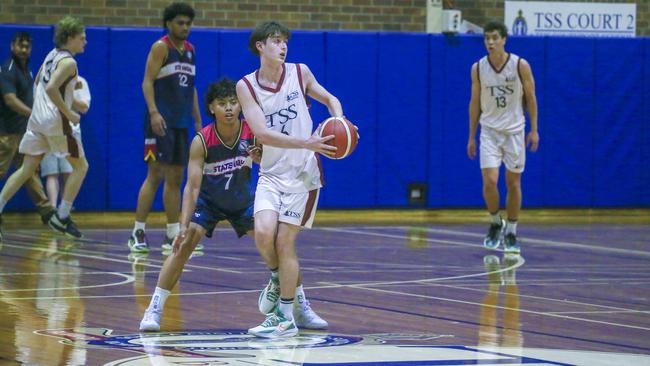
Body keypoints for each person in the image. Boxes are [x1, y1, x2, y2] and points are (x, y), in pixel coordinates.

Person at [237, 21, 346, 338]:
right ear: (260, 46)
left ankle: (284, 314)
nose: (283, 47)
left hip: (303, 175)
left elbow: (330, 99)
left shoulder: (301, 72)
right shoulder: (246, 86)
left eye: (285, 41)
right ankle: (281, 283)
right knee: (263, 234)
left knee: (285, 243)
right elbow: (262, 133)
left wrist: (337, 122)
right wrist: (305, 141)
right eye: (275, 41)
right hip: (271, 173)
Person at [139, 78, 260, 331]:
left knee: (276, 242)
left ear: (240, 105)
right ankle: (154, 309)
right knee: (182, 246)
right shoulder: (202, 140)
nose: (228, 108)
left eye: (233, 103)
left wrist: (264, 157)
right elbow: (192, 187)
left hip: (243, 202)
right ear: (211, 108)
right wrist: (182, 225)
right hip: (209, 202)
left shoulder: (253, 132)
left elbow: (271, 166)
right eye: (222, 103)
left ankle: (296, 304)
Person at [0, 16, 89, 240]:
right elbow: (50, 88)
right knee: (81, 167)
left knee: (26, 170)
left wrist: (69, 97)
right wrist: (68, 112)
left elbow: (39, 80)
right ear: (70, 38)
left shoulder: (51, 55)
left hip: (37, 120)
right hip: (54, 122)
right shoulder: (69, 62)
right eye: (82, 38)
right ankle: (62, 216)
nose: (85, 42)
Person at [127, 2, 202, 254]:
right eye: (180, 22)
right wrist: (154, 112)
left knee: (176, 178)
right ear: (169, 23)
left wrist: (198, 119)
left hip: (181, 124)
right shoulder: (161, 47)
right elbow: (147, 82)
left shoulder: (190, 50)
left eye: (188, 23)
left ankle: (172, 234)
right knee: (155, 174)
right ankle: (137, 231)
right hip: (159, 122)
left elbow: (191, 87)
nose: (185, 27)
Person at [467, 21, 539, 254]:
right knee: (489, 181)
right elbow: (474, 102)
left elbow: (531, 98)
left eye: (494, 37)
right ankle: (495, 221)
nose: (490, 42)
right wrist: (471, 135)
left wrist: (534, 130)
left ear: (504, 39)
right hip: (488, 130)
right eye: (486, 37)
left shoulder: (520, 65)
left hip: (515, 132)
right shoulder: (478, 68)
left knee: (513, 183)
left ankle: (512, 230)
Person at [0, 31, 56, 225]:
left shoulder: (27, 70)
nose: (23, 50)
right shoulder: (7, 69)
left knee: (29, 171)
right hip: (6, 132)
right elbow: (10, 100)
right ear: (12, 46)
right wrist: (33, 113)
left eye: (27, 46)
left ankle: (47, 211)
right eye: (20, 46)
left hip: (23, 131)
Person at [40, 76, 90, 208]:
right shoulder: (47, 81)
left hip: (70, 132)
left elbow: (84, 107)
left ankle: (65, 208)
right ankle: (52, 208)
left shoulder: (79, 81)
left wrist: (67, 95)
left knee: (70, 171)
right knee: (51, 173)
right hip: (50, 129)